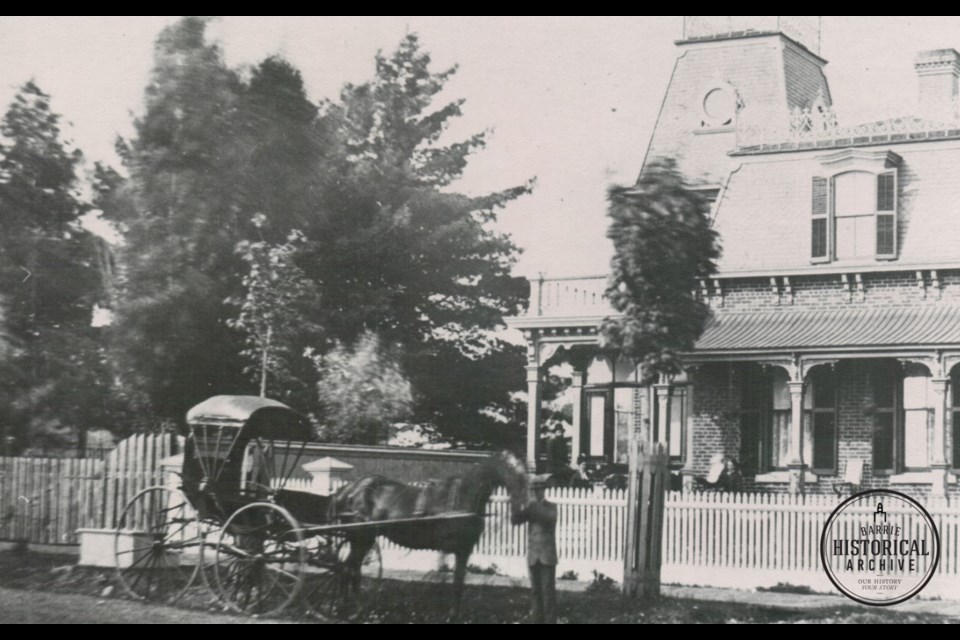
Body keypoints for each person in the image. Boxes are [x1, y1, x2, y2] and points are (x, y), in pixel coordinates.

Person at [523, 473, 557, 624]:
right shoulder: (529, 508)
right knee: (535, 593)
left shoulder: (551, 507)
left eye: (539, 489)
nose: (536, 492)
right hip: (533, 556)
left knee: (547, 592)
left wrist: (532, 506)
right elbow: (516, 518)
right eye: (533, 489)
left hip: (546, 556)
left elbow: (546, 519)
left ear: (544, 490)